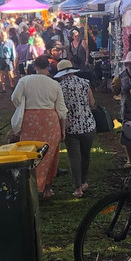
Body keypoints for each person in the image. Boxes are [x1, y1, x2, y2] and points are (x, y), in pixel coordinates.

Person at [10, 56, 67, 197]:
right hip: (50, 121)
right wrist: (63, 129)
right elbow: (61, 110)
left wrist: (24, 105)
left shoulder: (25, 81)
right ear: (48, 67)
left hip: (31, 120)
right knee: (50, 154)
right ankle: (47, 188)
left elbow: (15, 98)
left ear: (34, 67)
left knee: (29, 153)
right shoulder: (55, 84)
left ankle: (30, 186)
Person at [55, 61, 95, 198]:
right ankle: (84, 181)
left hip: (70, 126)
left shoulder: (59, 87)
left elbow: (59, 108)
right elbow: (92, 103)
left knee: (74, 157)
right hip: (88, 124)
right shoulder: (85, 82)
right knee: (86, 155)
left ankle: (78, 187)